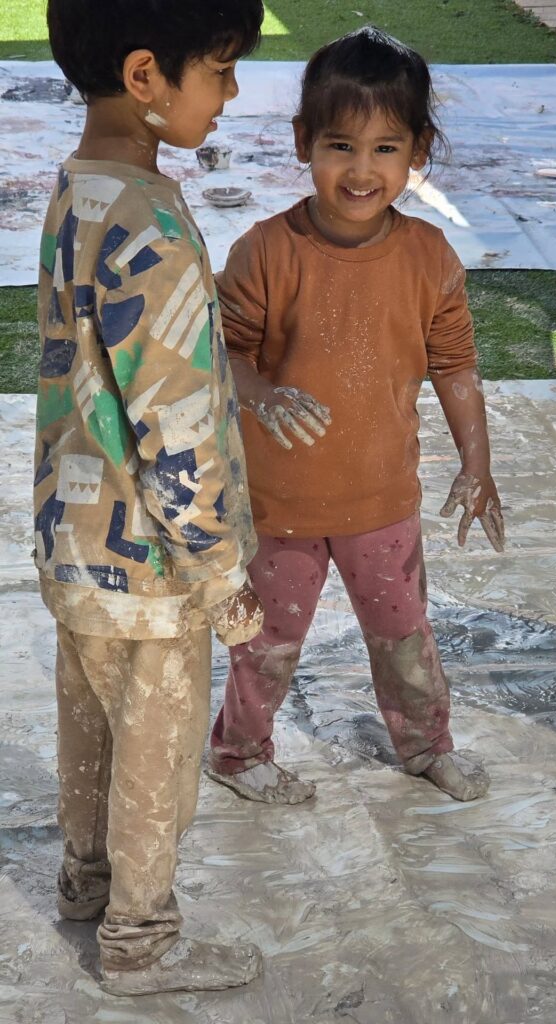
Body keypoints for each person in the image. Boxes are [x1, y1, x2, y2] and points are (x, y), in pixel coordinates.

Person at [208, 26, 504, 807]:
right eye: (341, 145)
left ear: (418, 151)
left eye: (386, 148)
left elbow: (456, 366)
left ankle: (425, 745)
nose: (362, 170)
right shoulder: (264, 252)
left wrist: (478, 464)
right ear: (304, 141)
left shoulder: (432, 257)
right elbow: (222, 355)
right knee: (267, 643)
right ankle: (237, 753)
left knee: (405, 635)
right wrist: (261, 392)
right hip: (282, 507)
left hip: (383, 502)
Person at [35, 0, 266, 997]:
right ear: (145, 77)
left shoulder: (76, 190)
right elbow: (176, 425)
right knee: (156, 753)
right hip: (154, 561)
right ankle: (141, 937)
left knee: (89, 722)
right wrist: (219, 569)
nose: (232, 92)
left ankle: (88, 884)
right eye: (219, 69)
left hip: (72, 541)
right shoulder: (154, 222)